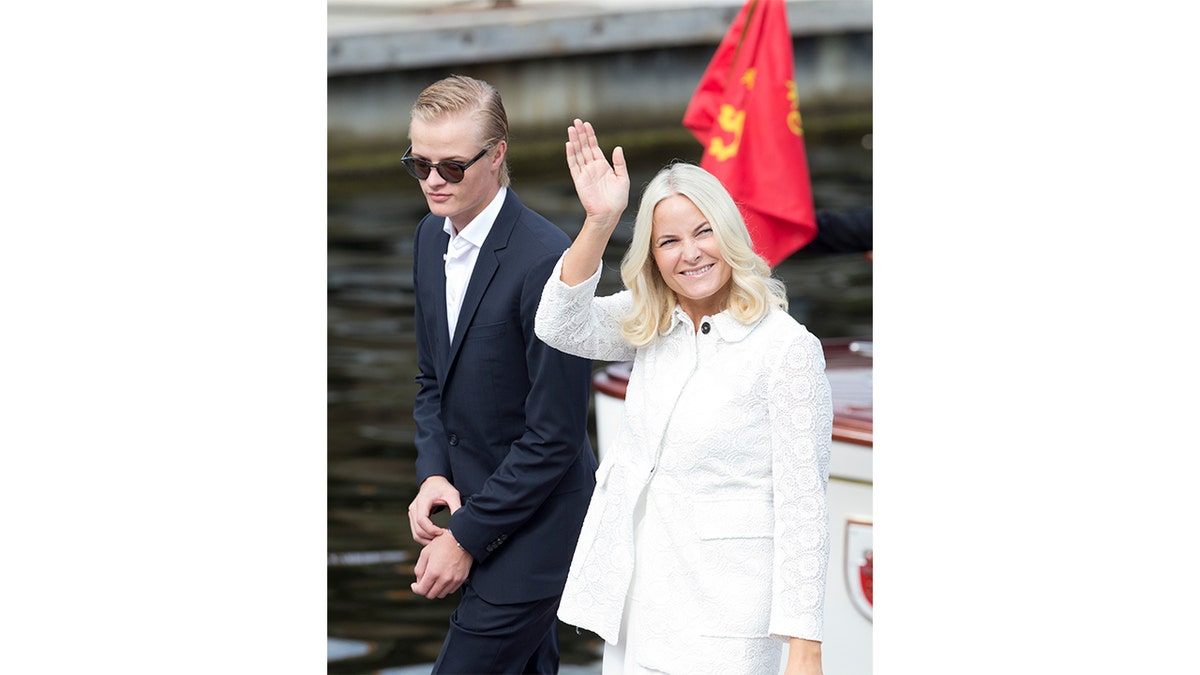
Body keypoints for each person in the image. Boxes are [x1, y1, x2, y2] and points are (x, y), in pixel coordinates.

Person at [534, 119, 833, 675]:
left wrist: (805, 649)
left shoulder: (788, 349)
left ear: (730, 235)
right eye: (669, 241)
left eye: (703, 232)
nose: (689, 254)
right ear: (652, 255)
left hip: (730, 620)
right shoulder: (651, 320)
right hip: (639, 607)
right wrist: (600, 221)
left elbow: (804, 507)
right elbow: (558, 324)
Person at [404, 76, 598, 674]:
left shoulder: (546, 260)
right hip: (475, 507)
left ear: (497, 155)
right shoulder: (425, 239)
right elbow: (431, 378)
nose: (433, 181)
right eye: (419, 164)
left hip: (540, 532)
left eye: (453, 167)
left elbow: (555, 436)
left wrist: (464, 537)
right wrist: (433, 472)